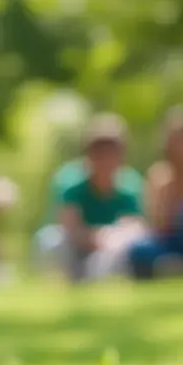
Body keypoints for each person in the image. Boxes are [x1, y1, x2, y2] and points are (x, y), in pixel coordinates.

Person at [54, 114, 146, 281]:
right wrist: (97, 237)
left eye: (112, 152)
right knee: (51, 241)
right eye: (99, 152)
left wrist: (112, 237)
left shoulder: (130, 186)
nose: (105, 159)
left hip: (112, 252)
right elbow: (69, 227)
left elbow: (135, 226)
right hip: (78, 250)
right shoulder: (72, 186)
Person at [127, 110, 183, 279]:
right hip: (173, 241)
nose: (177, 148)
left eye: (182, 141)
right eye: (173, 141)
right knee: (140, 249)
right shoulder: (160, 176)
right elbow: (159, 226)